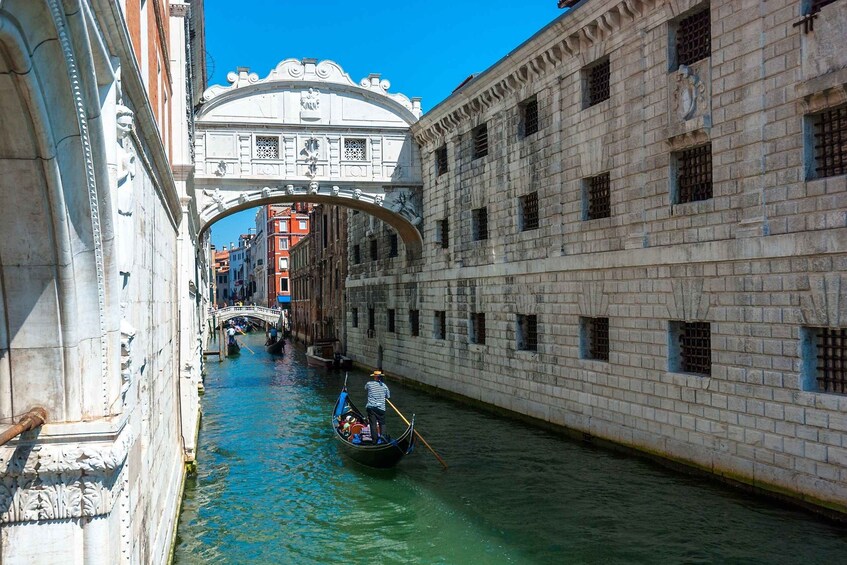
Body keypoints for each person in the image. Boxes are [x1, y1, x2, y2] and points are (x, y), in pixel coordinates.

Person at [364, 371, 390, 442]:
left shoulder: (369, 384)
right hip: (381, 408)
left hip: (371, 408)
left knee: (373, 424)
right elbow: (388, 396)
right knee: (382, 423)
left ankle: (374, 440)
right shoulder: (384, 386)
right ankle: (383, 437)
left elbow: (365, 388)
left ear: (374, 377)